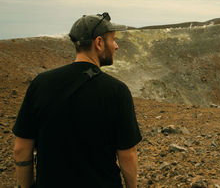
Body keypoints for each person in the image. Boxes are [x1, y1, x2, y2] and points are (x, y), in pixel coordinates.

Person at [12, 12, 142, 188]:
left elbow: (21, 149)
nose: (116, 46)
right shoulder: (116, 91)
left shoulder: (40, 83)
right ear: (99, 43)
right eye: (113, 40)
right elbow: (127, 155)